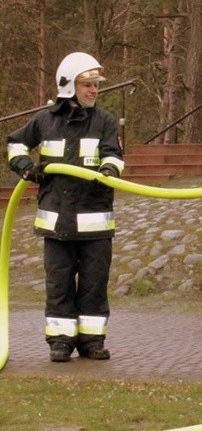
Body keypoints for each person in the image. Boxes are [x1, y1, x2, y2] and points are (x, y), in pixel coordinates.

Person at [6, 52, 125, 362]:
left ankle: (91, 342)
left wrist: (110, 170)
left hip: (95, 224)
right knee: (58, 285)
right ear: (70, 86)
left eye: (97, 85)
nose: (94, 91)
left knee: (94, 286)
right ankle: (60, 342)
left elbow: (114, 155)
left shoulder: (105, 122)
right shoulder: (44, 121)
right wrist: (25, 167)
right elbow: (15, 142)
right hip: (57, 223)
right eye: (88, 85)